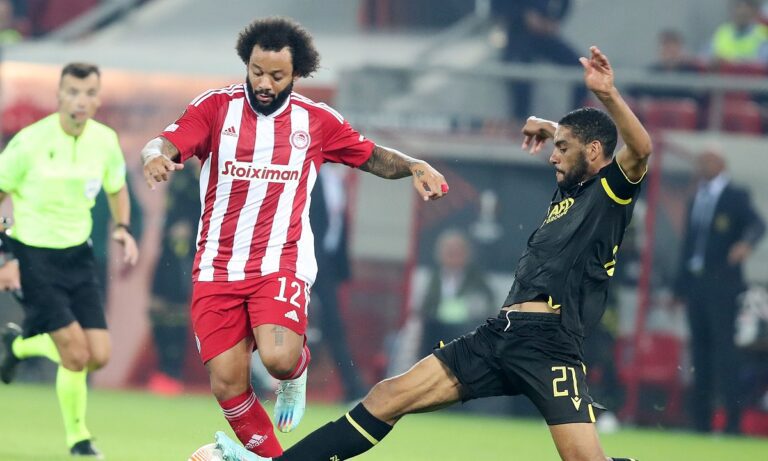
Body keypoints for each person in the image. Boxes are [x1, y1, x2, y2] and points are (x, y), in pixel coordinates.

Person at [213, 45, 651, 461]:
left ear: (594, 152)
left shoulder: (610, 193)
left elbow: (640, 150)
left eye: (562, 149)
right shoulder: (572, 185)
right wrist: (549, 127)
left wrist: (607, 94)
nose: (554, 157)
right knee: (388, 395)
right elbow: (577, 142)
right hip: (501, 334)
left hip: (550, 343)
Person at [140, 17, 448, 459]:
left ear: (296, 73)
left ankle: (295, 372)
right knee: (227, 383)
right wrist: (154, 156)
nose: (264, 83)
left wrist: (414, 165)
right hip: (216, 265)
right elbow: (164, 142)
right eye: (256, 72)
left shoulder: (315, 120)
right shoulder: (216, 108)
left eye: (277, 75)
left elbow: (371, 156)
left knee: (279, 359)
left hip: (279, 260)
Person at [0, 62, 139, 458]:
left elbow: (117, 187)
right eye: (73, 92)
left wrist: (122, 228)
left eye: (89, 93)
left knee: (99, 355)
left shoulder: (105, 141)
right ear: (59, 95)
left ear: (98, 99)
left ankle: (18, 346)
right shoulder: (29, 142)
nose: (81, 101)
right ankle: (79, 440)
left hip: (79, 258)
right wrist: (5, 254)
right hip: (34, 258)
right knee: (75, 354)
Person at [673, 147, 766, 433]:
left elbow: (757, 224)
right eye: (701, 161)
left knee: (725, 351)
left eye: (708, 161)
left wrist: (746, 244)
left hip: (723, 284)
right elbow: (688, 244)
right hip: (697, 284)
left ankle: (732, 421)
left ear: (721, 164)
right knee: (699, 351)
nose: (702, 166)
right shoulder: (696, 198)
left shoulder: (735, 196)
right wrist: (679, 288)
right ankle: (700, 421)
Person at [309, 164, 366, 402]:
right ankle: (257, 382)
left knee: (333, 325)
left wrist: (340, 268)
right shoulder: (309, 173)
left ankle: (353, 387)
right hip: (301, 260)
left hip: (327, 265)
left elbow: (337, 227)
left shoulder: (337, 180)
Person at [146, 165, 200, 395]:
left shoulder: (204, 177)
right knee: (157, 307)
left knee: (177, 310)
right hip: (168, 250)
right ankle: (163, 368)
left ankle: (173, 372)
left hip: (186, 253)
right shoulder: (182, 174)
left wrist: (190, 227)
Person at [491, 0, 588, 121]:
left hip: (543, 33)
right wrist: (524, 16)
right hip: (517, 33)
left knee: (580, 68)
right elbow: (497, 6)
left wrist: (555, 20)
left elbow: (565, 3)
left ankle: (576, 120)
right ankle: (519, 119)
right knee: (520, 73)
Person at [419, 229, 496, 357]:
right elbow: (425, 308)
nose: (453, 255)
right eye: (449, 251)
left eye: (458, 251)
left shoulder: (477, 279)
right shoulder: (433, 279)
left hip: (465, 335)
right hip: (437, 333)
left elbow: (487, 305)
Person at [707, 0, 768, 65]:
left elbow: (763, 63)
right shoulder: (722, 32)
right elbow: (706, 58)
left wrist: (731, 62)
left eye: (747, 7)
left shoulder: (763, 34)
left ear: (755, 11)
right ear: (731, 10)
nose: (741, 11)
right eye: (738, 6)